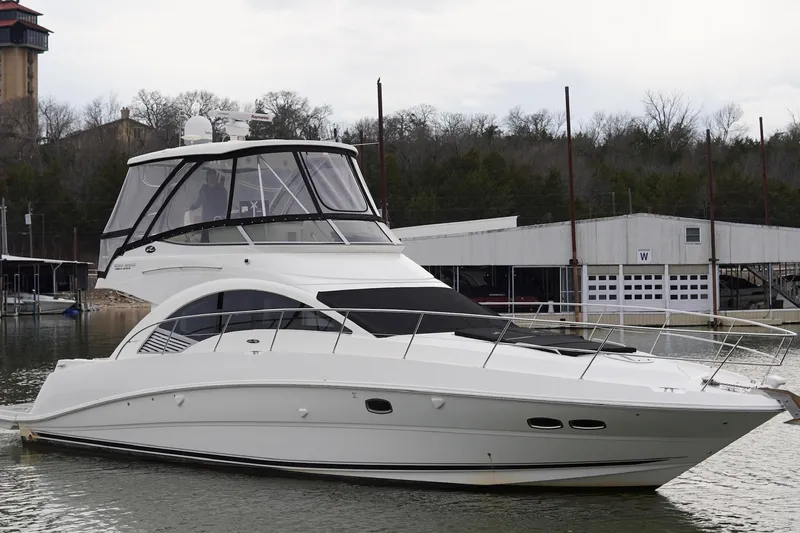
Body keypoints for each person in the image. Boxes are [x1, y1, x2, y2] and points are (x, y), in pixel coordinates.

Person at [189, 168, 229, 242]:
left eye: (213, 176)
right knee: (205, 241)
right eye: (210, 176)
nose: (211, 178)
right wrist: (191, 208)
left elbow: (224, 204)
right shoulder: (203, 190)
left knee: (219, 240)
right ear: (207, 178)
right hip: (206, 221)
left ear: (216, 177)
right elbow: (198, 202)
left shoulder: (222, 190)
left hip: (218, 220)